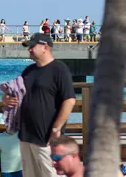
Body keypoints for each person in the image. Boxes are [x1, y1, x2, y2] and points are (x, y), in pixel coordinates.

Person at [8, 34, 76, 177]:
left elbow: (69, 100)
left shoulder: (60, 69)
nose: (30, 50)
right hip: (25, 136)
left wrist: (56, 128)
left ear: (45, 47)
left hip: (46, 138)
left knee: (50, 173)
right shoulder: (28, 71)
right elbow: (16, 93)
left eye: (33, 46)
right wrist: (7, 99)